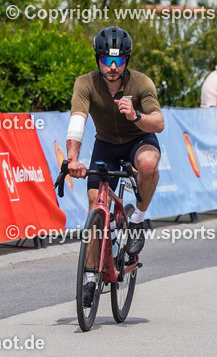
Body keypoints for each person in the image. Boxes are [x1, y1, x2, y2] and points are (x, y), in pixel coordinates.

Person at [66, 26, 164, 306]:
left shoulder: (141, 82)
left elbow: (159, 122)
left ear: (126, 61)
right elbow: (77, 121)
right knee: (96, 205)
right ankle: (89, 277)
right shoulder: (85, 83)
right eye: (106, 61)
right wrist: (73, 159)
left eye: (118, 61)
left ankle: (137, 221)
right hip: (106, 144)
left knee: (147, 163)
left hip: (138, 138)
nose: (111, 67)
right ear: (97, 59)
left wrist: (135, 116)